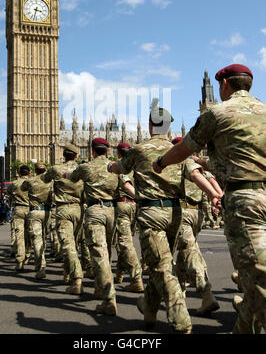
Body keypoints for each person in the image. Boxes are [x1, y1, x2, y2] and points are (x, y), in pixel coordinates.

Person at [153, 64, 266, 334]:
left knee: (258, 277)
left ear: (224, 85)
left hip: (245, 201)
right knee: (252, 277)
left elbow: (184, 149)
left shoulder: (218, 113)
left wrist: (161, 161)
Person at [108, 102, 222, 333]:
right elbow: (195, 174)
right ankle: (148, 308)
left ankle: (181, 320)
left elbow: (120, 168)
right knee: (160, 260)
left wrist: (110, 166)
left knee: (160, 267)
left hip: (152, 214)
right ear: (169, 127)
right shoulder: (178, 150)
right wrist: (213, 194)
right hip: (175, 215)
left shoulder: (139, 150)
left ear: (150, 126)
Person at [63, 138, 119, 315]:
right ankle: (98, 287)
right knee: (107, 252)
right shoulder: (116, 167)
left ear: (92, 151)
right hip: (113, 212)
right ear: (108, 151)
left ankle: (109, 299)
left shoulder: (86, 167)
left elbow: (72, 178)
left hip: (95, 210)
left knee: (98, 252)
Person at [171, 136, 220, 316]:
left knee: (190, 251)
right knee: (185, 253)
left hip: (183, 212)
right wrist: (217, 195)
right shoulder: (195, 163)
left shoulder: (176, 164)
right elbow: (211, 178)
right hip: (197, 213)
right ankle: (180, 290)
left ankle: (207, 294)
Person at [44, 143, 85, 294]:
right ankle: (67, 274)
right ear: (76, 155)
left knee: (68, 245)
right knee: (73, 244)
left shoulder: (56, 169)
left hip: (63, 210)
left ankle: (77, 279)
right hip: (79, 210)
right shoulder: (83, 169)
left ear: (63, 154)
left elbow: (44, 180)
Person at [114, 142, 144, 293]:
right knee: (124, 239)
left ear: (119, 154)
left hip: (124, 205)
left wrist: (139, 197)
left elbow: (126, 186)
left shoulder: (122, 168)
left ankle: (136, 278)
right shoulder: (137, 168)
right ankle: (119, 274)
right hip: (134, 207)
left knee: (125, 242)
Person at [21, 162, 53, 279]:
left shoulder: (30, 181)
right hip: (48, 212)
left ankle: (40, 268)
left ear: (35, 170)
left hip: (35, 212)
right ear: (45, 170)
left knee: (37, 239)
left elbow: (22, 187)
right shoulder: (51, 182)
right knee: (44, 238)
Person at [7, 165, 32, 272]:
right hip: (30, 210)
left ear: (19, 173)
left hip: (18, 209)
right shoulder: (32, 182)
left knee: (19, 235)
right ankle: (27, 255)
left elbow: (9, 194)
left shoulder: (14, 183)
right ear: (29, 173)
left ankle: (19, 261)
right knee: (29, 234)